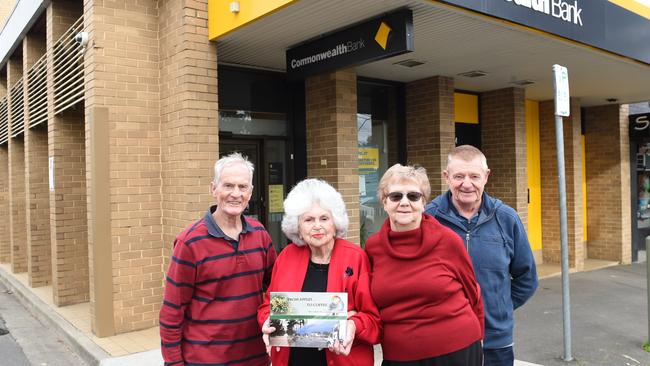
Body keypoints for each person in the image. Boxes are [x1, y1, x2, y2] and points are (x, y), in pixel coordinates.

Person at [159, 152, 277, 366]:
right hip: (205, 360)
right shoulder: (190, 242)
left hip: (256, 359)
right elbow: (172, 312)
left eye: (242, 187)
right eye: (228, 186)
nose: (235, 194)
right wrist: (174, 363)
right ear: (213, 189)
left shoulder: (261, 235)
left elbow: (276, 291)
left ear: (250, 192)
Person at [425, 145, 538, 366]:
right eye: (459, 176)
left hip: (495, 340)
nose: (467, 184)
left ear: (486, 176)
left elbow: (527, 277)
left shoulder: (506, 218)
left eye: (474, 176)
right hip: (444, 339)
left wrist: (499, 306)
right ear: (446, 177)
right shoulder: (429, 219)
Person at [366, 164, 484, 365]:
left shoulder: (448, 241)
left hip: (457, 350)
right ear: (384, 202)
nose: (404, 203)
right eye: (396, 196)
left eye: (413, 196)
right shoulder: (372, 247)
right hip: (400, 355)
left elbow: (472, 292)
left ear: (423, 202)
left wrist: (480, 334)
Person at [258, 178, 381, 366]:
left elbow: (374, 320)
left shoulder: (355, 258)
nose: (317, 226)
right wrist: (268, 321)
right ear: (297, 226)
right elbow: (268, 307)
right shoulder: (286, 257)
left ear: (335, 222)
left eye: (324, 218)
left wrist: (353, 324)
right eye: (308, 219)